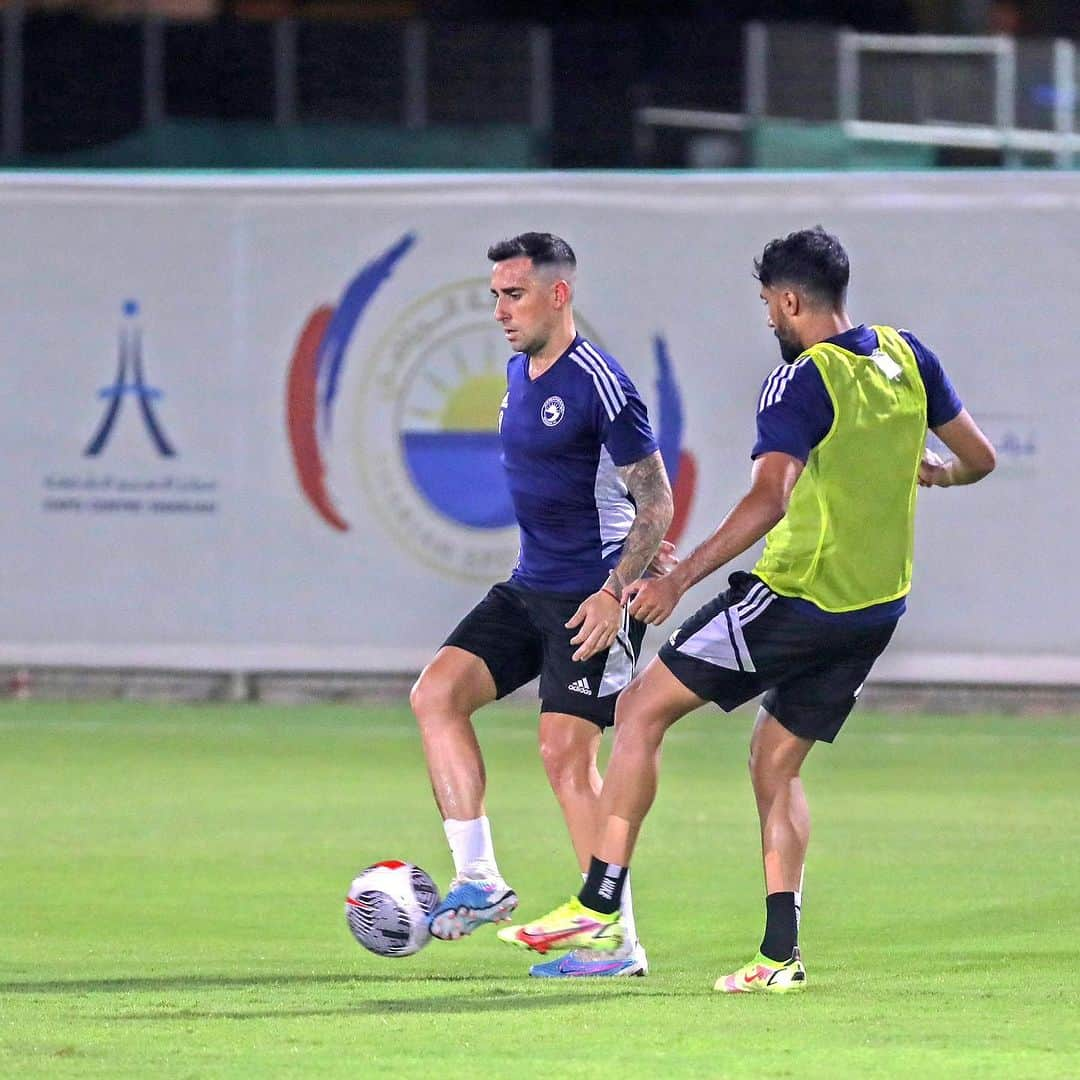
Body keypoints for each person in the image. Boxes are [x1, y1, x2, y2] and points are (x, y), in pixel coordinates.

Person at [500, 226, 996, 992]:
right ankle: (778, 956)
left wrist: (680, 578)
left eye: (769, 304)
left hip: (795, 598)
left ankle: (600, 903)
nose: (769, 319)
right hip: (874, 611)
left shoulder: (800, 381)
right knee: (774, 763)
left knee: (637, 712)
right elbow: (982, 458)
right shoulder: (908, 357)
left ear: (790, 300)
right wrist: (939, 475)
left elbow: (770, 499)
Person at [412, 232, 674, 977]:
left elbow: (656, 498)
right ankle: (481, 878)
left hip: (593, 595)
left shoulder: (602, 383)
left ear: (559, 295)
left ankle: (616, 941)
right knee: (436, 695)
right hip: (531, 587)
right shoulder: (519, 372)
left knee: (565, 755)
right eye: (494, 295)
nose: (500, 309)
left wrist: (617, 587)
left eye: (514, 294)